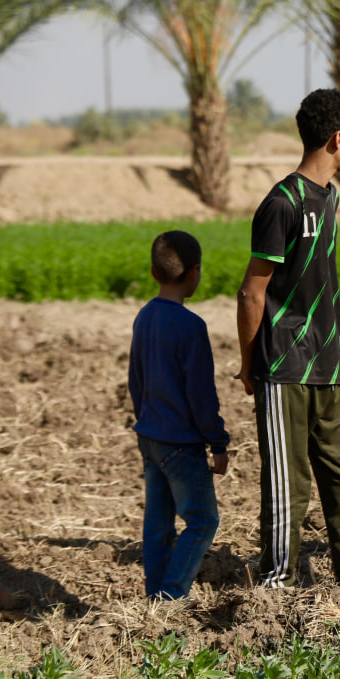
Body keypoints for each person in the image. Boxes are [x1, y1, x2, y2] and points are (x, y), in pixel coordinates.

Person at [235, 88, 340, 593]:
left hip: (331, 365)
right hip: (284, 369)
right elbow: (252, 293)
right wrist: (251, 365)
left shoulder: (330, 197)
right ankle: (276, 591)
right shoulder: (281, 203)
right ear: (337, 138)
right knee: (288, 488)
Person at [128, 230, 229, 600]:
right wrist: (217, 441)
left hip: (150, 437)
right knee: (203, 522)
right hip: (181, 445)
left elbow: (135, 380)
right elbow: (201, 395)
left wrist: (147, 420)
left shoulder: (145, 317)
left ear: (154, 273)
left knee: (158, 525)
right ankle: (170, 597)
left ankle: (154, 596)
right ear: (194, 272)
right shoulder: (191, 327)